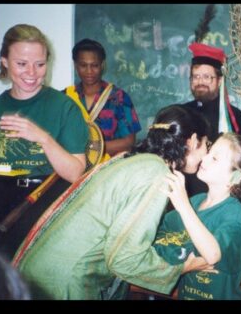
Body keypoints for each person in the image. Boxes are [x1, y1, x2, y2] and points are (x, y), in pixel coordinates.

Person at [12, 105, 211, 299]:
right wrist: (181, 268)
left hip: (41, 272)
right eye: (206, 145)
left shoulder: (132, 159)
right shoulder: (156, 173)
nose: (206, 155)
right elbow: (124, 259)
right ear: (192, 141)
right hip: (62, 282)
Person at [0, 24, 88, 259]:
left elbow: (76, 173)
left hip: (43, 200)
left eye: (40, 64)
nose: (32, 73)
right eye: (22, 64)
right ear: (4, 61)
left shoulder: (64, 107)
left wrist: (42, 137)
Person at [154, 132, 241, 300]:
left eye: (215, 159)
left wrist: (183, 205)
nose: (205, 158)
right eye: (209, 152)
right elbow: (161, 232)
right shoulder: (195, 201)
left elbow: (212, 255)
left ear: (235, 178)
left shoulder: (233, 212)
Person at [180, 42, 241, 197]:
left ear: (219, 81)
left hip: (220, 197)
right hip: (184, 193)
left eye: (207, 77)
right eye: (196, 77)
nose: (200, 82)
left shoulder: (236, 118)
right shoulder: (181, 113)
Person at [65, 38, 142, 156]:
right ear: (76, 65)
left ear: (102, 65)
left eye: (94, 65)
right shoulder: (65, 98)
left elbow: (129, 142)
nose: (89, 71)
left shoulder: (119, 98)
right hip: (71, 170)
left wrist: (92, 148)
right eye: (83, 65)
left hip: (109, 170)